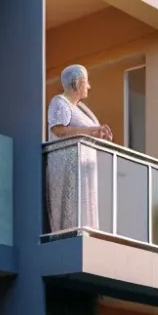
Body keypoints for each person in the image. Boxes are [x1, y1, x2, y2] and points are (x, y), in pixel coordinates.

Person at [46, 65, 112, 232]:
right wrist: (91, 131)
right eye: (86, 82)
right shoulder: (59, 102)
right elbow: (58, 129)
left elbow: (90, 134)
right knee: (72, 206)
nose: (89, 86)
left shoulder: (81, 109)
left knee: (85, 204)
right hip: (68, 164)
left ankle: (85, 231)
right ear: (76, 83)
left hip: (84, 167)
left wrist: (101, 136)